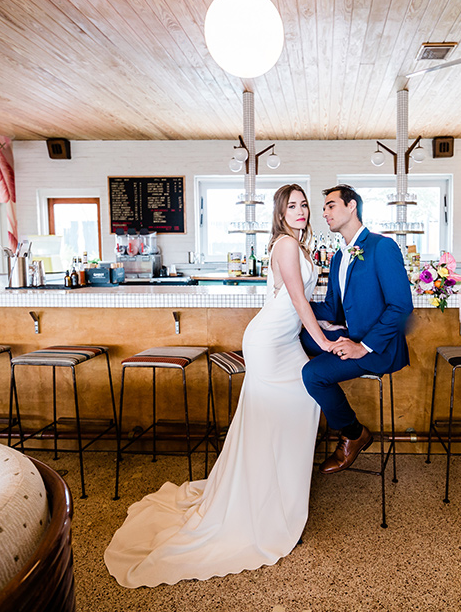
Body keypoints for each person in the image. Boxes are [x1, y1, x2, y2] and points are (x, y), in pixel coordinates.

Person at [104, 184, 336, 587]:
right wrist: (323, 340)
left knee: (301, 404)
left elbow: (293, 303)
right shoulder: (285, 245)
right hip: (268, 343)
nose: (300, 211)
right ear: (280, 214)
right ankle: (264, 503)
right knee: (283, 410)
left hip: (282, 340)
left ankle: (276, 496)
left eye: (303, 204)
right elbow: (298, 302)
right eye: (291, 206)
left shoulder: (297, 245)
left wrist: (324, 325)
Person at [300, 184, 413, 474]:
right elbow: (333, 310)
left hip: (378, 348)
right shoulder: (339, 257)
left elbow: (401, 306)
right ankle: (297, 429)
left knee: (313, 374)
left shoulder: (381, 246)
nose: (324, 212)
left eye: (331, 205)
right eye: (323, 207)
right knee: (298, 339)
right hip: (351, 336)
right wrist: (293, 305)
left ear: (352, 207)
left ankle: (353, 433)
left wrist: (362, 347)